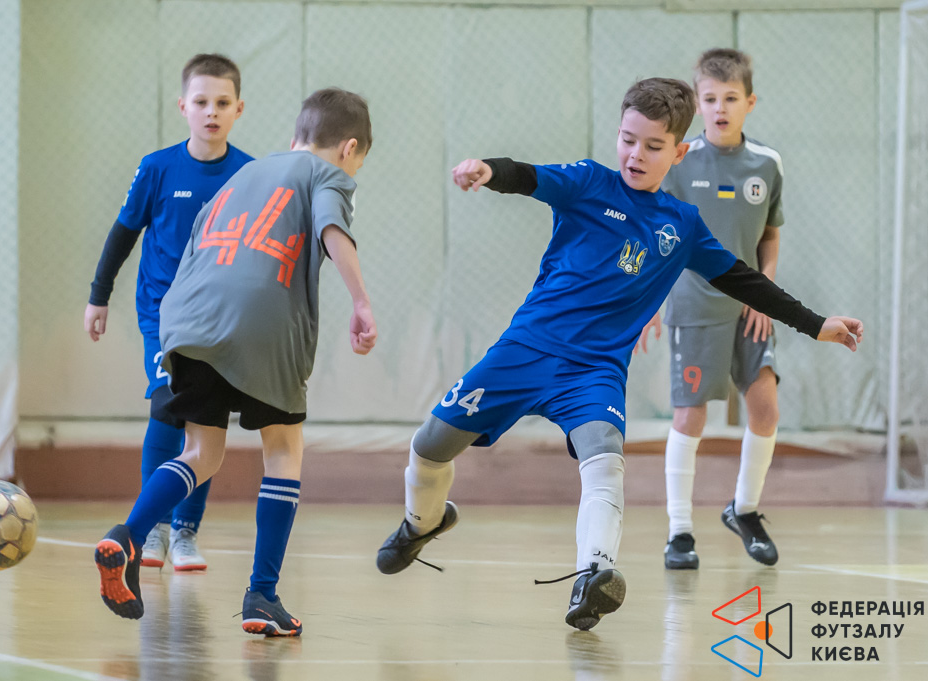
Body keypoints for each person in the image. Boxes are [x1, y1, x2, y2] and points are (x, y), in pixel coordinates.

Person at [375, 77, 863, 631]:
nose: (636, 154)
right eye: (628, 140)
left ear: (678, 152)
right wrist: (487, 170)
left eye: (654, 146)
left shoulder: (681, 226)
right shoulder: (589, 182)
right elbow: (528, 176)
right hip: (525, 351)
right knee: (429, 447)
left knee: (604, 459)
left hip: (594, 372)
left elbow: (743, 280)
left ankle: (595, 574)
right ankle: (422, 524)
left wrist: (816, 324)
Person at [94, 88, 376, 639]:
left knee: (201, 452)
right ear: (349, 148)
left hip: (187, 316)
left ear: (295, 137)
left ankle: (128, 536)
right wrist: (362, 303)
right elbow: (332, 229)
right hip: (261, 319)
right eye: (357, 160)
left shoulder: (243, 174)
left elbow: (197, 245)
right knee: (283, 449)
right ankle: (262, 594)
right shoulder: (327, 174)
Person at [84, 54, 253, 572]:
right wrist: (98, 295)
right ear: (183, 107)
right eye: (201, 102)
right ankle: (152, 529)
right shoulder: (158, 168)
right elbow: (123, 233)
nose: (211, 112)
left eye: (222, 102)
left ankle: (185, 532)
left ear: (239, 109)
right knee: (167, 407)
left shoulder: (249, 174)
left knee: (206, 421)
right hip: (163, 315)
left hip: (219, 320)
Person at [635, 49, 787, 571]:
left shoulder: (767, 164)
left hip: (750, 307)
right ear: (698, 105)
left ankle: (743, 509)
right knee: (691, 414)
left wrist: (766, 290)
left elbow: (770, 235)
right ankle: (679, 531)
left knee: (765, 407)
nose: (720, 108)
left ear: (750, 103)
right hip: (696, 306)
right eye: (710, 98)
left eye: (731, 98)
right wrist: (646, 300)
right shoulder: (680, 163)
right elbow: (656, 235)